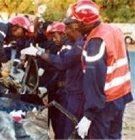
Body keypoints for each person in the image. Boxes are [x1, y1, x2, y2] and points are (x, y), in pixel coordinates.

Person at [64, 0, 133, 139]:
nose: (75, 27)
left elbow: (94, 81)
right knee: (114, 136)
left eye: (76, 22)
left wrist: (89, 115)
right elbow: (126, 62)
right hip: (120, 97)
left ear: (86, 22)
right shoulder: (114, 30)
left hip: (104, 104)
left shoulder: (96, 41)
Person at [20, 22, 85, 139]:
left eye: (54, 36)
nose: (53, 40)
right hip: (61, 91)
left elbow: (61, 64)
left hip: (70, 93)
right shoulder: (62, 47)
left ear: (63, 34)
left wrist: (39, 53)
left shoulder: (70, 47)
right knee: (58, 125)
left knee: (66, 128)